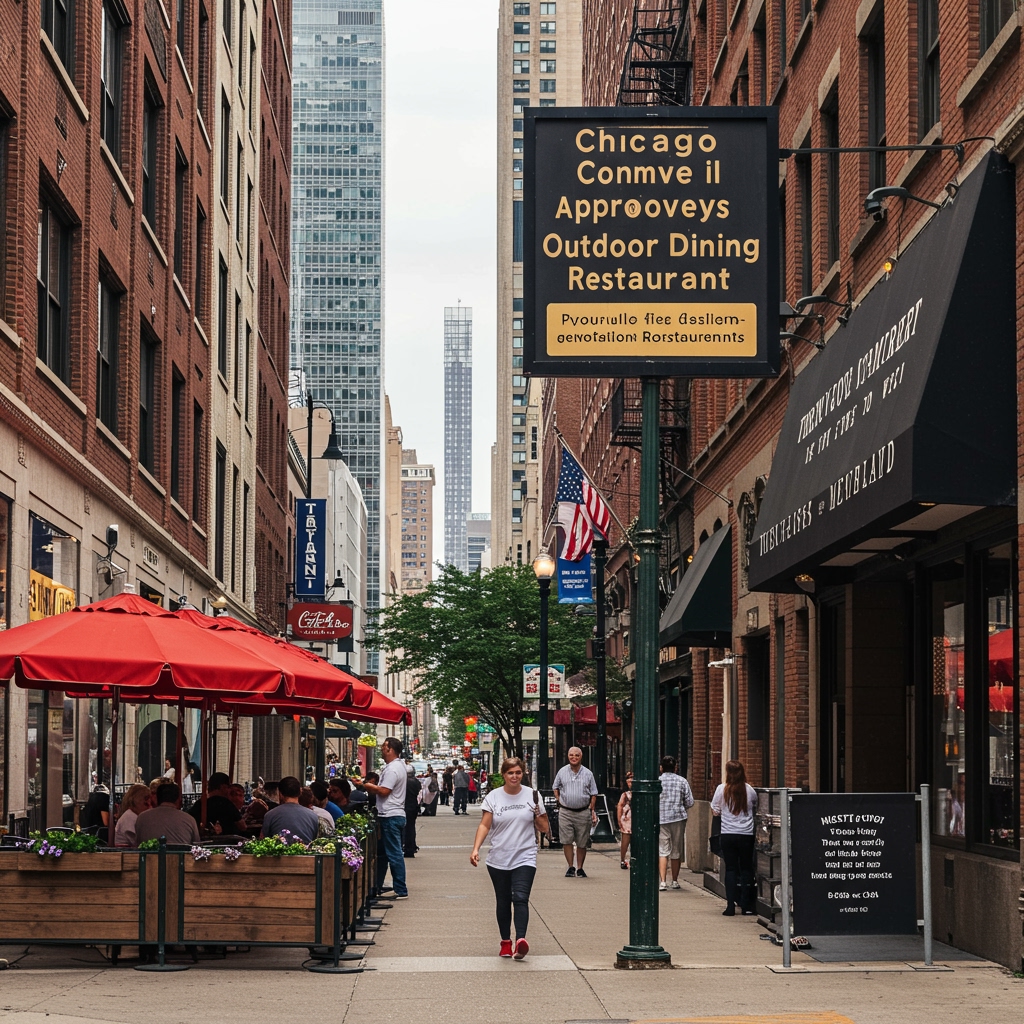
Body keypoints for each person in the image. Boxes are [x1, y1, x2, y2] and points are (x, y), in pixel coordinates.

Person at [470, 756, 549, 961]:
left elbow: (544, 828)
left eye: (518, 773)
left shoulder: (533, 795)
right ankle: (505, 942)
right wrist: (476, 848)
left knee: (520, 897)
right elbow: (485, 825)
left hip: (525, 855)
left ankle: (521, 940)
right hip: (499, 857)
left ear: (523, 774)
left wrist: (538, 814)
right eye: (510, 773)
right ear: (504, 775)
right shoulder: (494, 797)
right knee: (503, 900)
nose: (515, 776)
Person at [352, 737, 409, 899]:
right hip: (390, 815)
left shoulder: (393, 769)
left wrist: (367, 786)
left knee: (394, 853)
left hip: (391, 815)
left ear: (390, 749)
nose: (382, 749)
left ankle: (401, 889)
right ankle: (377, 886)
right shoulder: (397, 766)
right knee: (384, 853)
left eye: (384, 747)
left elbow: (384, 791)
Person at [711, 759, 758, 916]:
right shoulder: (749, 790)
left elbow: (715, 810)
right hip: (746, 834)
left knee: (730, 869)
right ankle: (746, 905)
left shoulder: (721, 789)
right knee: (746, 868)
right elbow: (755, 805)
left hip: (728, 834)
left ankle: (730, 905)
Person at [552, 746, 598, 878]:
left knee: (582, 842)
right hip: (565, 811)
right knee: (566, 840)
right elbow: (555, 787)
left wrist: (591, 809)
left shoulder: (588, 773)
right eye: (571, 755)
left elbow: (594, 793)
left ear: (581, 757)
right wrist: (559, 799)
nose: (574, 757)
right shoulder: (562, 772)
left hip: (583, 811)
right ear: (568, 756)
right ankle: (570, 867)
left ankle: (580, 868)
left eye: (577, 755)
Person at [658, 755, 694, 891]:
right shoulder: (682, 781)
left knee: (663, 850)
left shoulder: (657, 781)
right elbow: (690, 801)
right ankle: (674, 880)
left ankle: (663, 881)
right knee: (676, 850)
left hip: (661, 818)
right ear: (675, 768)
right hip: (678, 818)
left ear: (661, 768)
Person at [135, 783, 202, 847]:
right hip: (180, 855)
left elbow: (138, 843)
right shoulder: (189, 820)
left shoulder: (142, 818)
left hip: (150, 855)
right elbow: (197, 846)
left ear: (157, 799)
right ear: (178, 799)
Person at [261, 776, 320, 843]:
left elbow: (263, 841)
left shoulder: (270, 815)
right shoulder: (313, 816)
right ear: (300, 792)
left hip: (279, 849)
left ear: (280, 794)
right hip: (305, 849)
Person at [189, 771, 244, 837]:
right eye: (228, 787)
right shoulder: (225, 803)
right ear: (223, 787)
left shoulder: (199, 803)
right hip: (227, 840)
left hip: (202, 839)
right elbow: (242, 826)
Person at [114, 784, 153, 848]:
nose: (150, 808)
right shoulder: (129, 818)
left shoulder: (132, 815)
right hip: (127, 853)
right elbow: (141, 843)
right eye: (146, 804)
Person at [403, 763, 421, 856]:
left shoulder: (403, 782)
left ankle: (407, 847)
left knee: (405, 828)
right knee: (411, 827)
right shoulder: (416, 782)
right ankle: (411, 846)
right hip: (413, 806)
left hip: (405, 806)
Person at [616, 772, 633, 869]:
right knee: (625, 841)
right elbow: (620, 806)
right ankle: (623, 859)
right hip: (627, 819)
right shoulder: (625, 795)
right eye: (629, 779)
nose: (631, 781)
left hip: (635, 819)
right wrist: (619, 819)